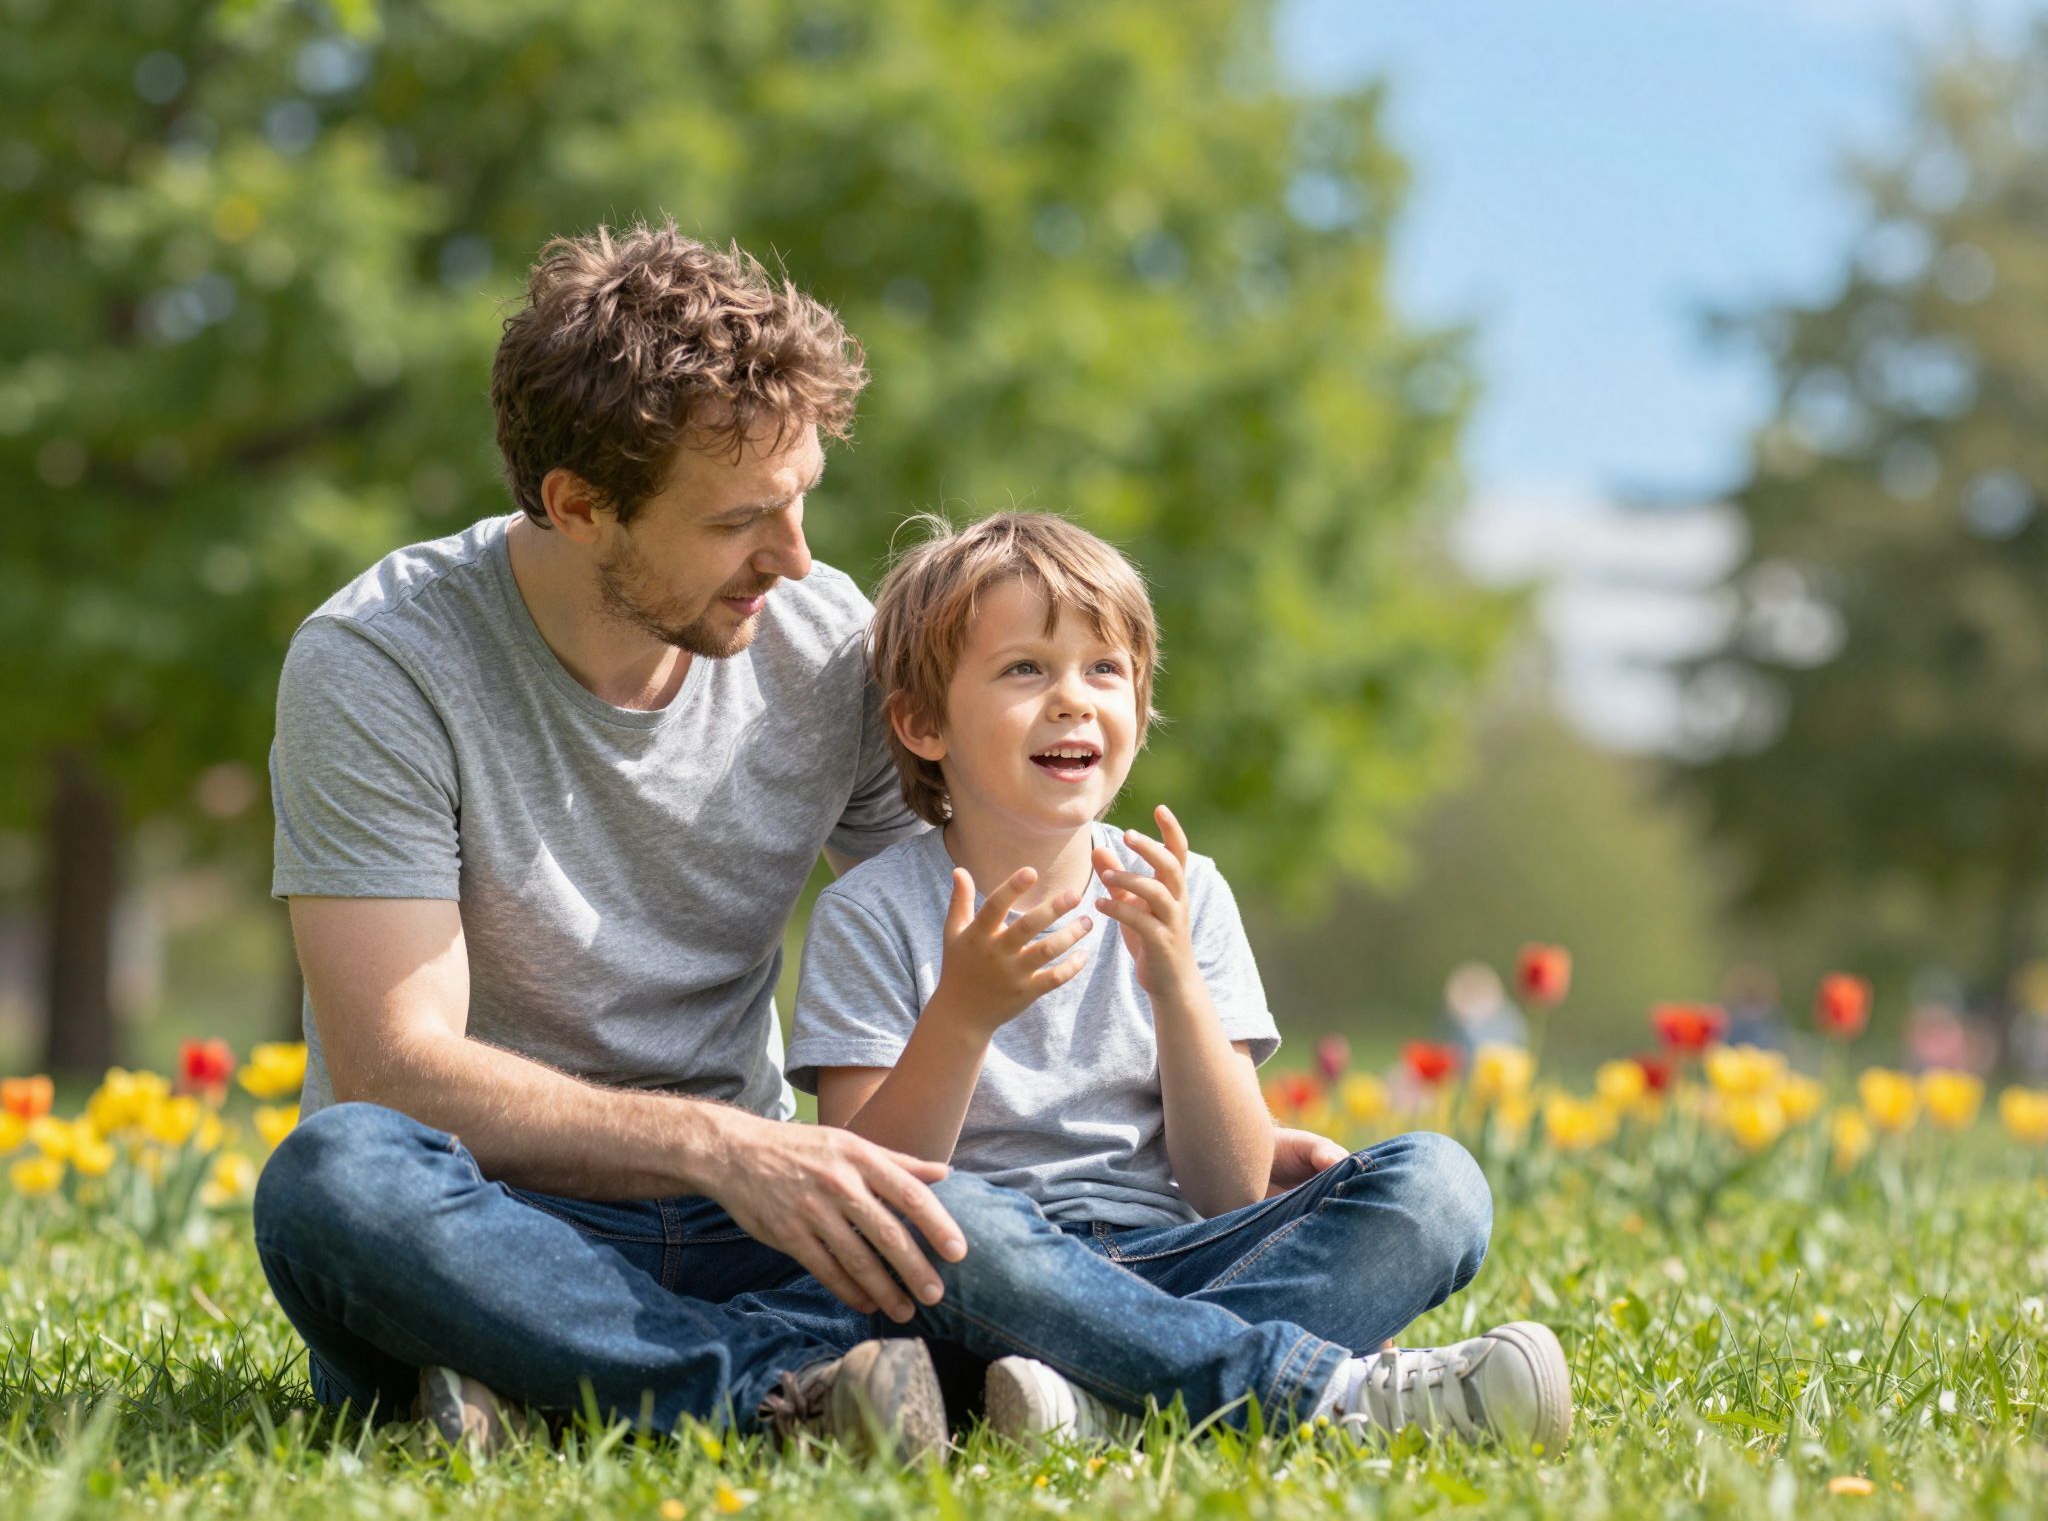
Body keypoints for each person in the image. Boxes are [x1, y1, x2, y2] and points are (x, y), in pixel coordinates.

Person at [251, 221, 1361, 1461]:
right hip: (498, 1222)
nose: (792, 559)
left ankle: (575, 1389)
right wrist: (721, 1144)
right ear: (577, 506)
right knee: (336, 1176)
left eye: (800, 503)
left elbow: (973, 907)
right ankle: (788, 1391)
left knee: (1002, 1227)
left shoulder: (817, 638)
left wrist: (1198, 1139)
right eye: (739, 523)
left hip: (771, 1230)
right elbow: (396, 1070)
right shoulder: (383, 663)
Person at [787, 511, 1573, 1449]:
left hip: (1177, 1255)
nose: (1073, 700)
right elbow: (869, 1199)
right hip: (985, 1283)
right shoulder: (872, 913)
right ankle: (1302, 1393)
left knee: (1439, 1187)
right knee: (941, 1219)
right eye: (1025, 669)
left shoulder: (1183, 893)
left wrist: (1177, 987)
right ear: (921, 723)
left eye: (1104, 670)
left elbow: (1233, 1187)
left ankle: (1096, 1400)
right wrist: (961, 1015)